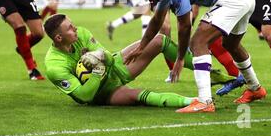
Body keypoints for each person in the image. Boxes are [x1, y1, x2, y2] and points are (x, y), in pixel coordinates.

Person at [127, 0, 267, 113]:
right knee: (231, 44)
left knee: (198, 42)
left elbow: (185, 26)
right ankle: (255, 88)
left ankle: (204, 101)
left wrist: (180, 58)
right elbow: (156, 21)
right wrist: (141, 47)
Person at [43, 14, 196, 107]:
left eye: (73, 24)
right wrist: (97, 72)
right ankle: (192, 102)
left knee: (159, 40)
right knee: (141, 97)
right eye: (70, 27)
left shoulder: (81, 33)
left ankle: (206, 70)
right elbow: (84, 96)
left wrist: (102, 56)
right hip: (101, 92)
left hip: (113, 68)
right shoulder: (55, 66)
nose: (75, 28)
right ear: (58, 38)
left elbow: (108, 57)